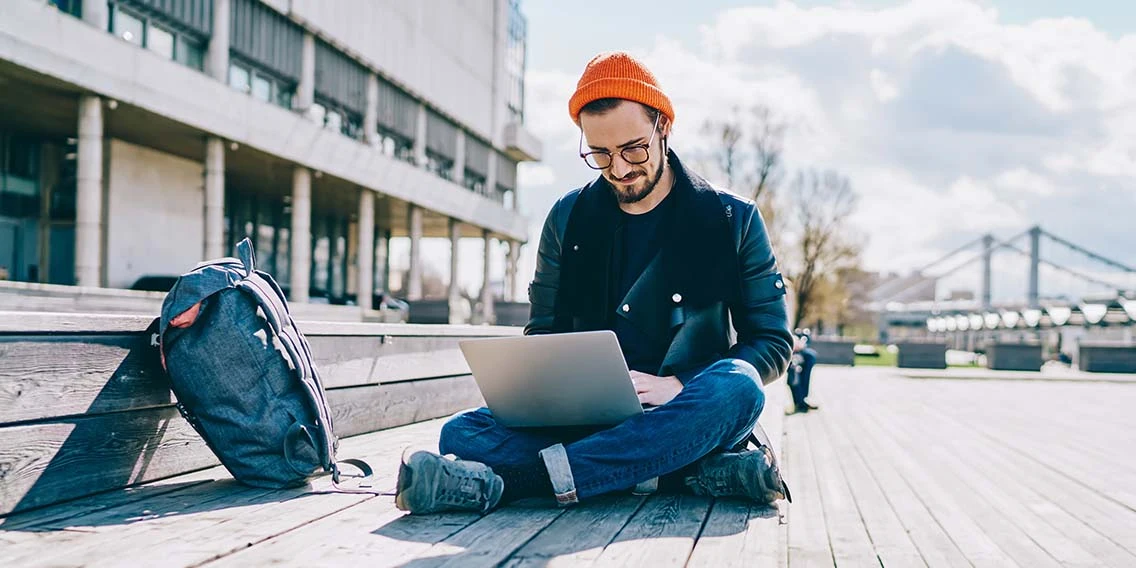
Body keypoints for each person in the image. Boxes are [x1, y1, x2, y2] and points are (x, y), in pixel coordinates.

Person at [394, 52, 794, 515]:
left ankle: (514, 483)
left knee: (741, 387)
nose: (620, 169)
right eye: (600, 154)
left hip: (686, 410)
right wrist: (555, 395)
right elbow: (542, 333)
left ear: (663, 126)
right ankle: (681, 472)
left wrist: (681, 385)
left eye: (633, 149)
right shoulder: (567, 219)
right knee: (462, 434)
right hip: (587, 422)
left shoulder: (733, 218)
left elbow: (771, 341)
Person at [787, 329, 820, 414]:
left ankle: (802, 400)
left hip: (797, 350)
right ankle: (799, 402)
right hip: (790, 351)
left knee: (810, 356)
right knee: (793, 373)